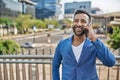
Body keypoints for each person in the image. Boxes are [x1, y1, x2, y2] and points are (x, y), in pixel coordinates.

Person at [52, 9, 116, 80]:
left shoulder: (94, 44)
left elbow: (111, 62)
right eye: (76, 21)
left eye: (83, 21)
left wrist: (94, 38)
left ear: (89, 25)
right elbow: (55, 66)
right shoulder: (62, 44)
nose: (79, 24)